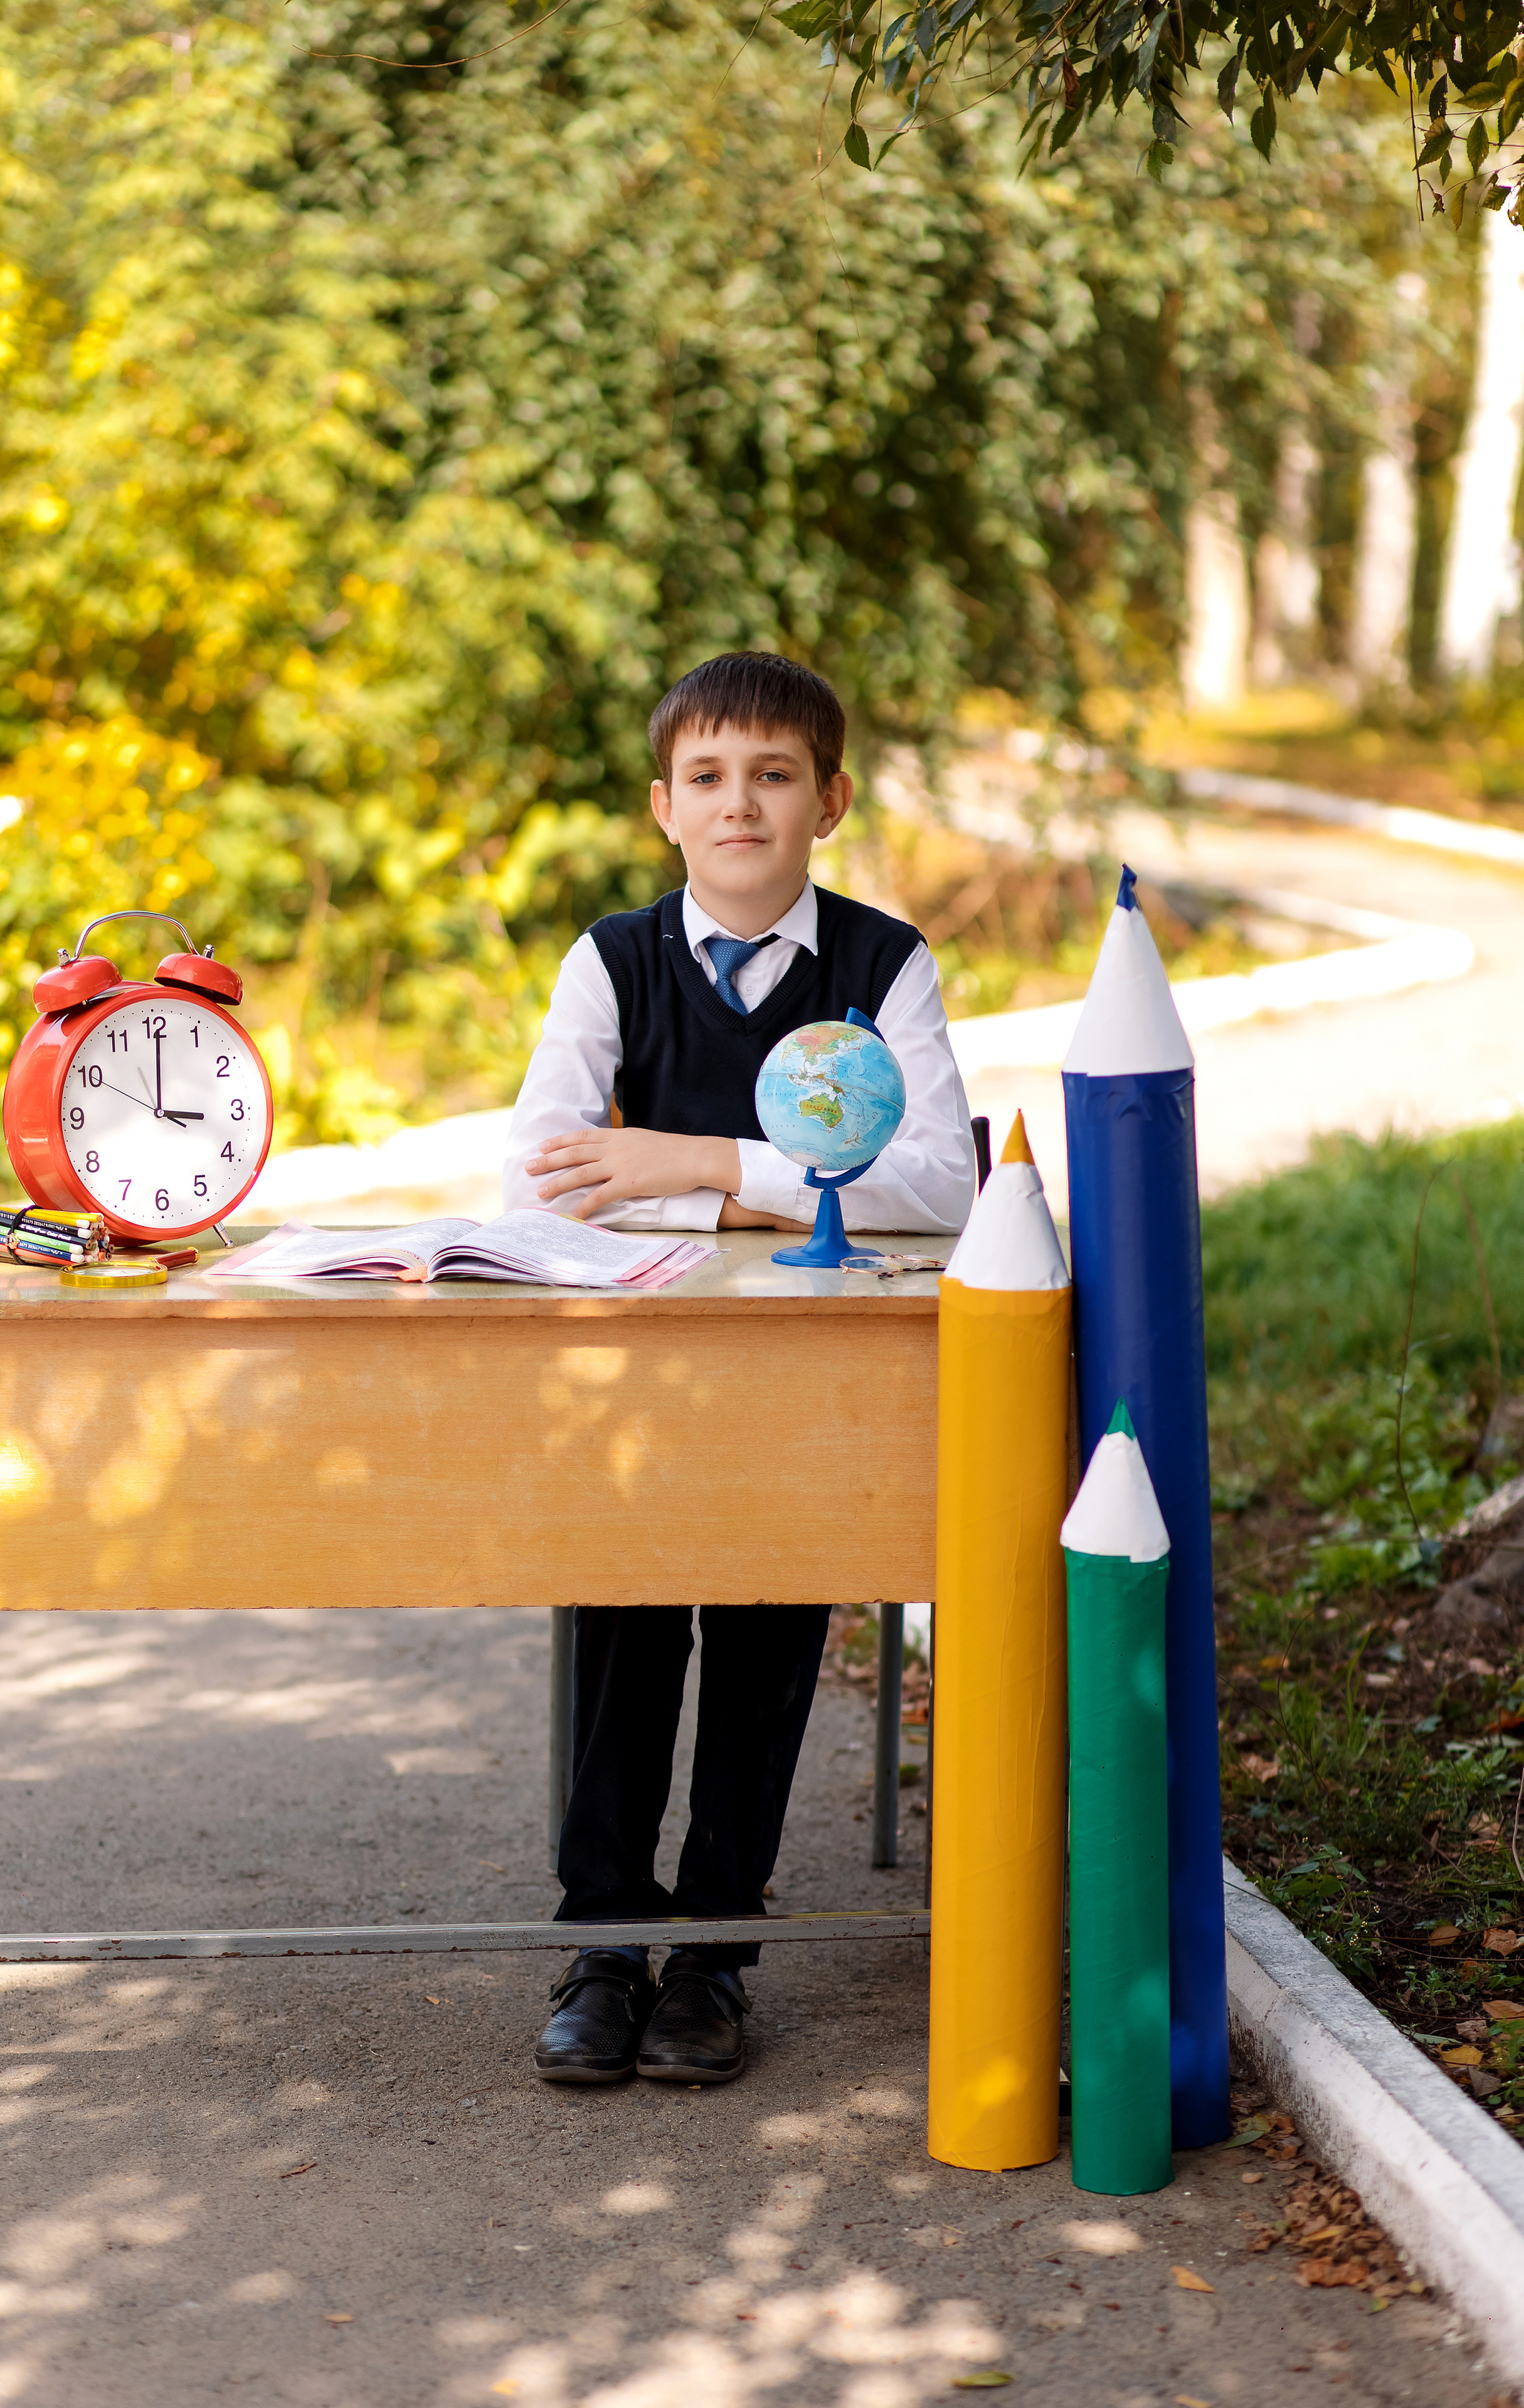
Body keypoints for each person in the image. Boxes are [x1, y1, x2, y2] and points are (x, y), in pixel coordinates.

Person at [502, 650, 975, 2086]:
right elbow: (538, 1181)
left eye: (773, 775)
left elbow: (939, 1183)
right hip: (636, 1385)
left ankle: (712, 1955)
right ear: (663, 806)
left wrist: (689, 1159)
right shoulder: (614, 960)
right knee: (625, 1641)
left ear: (827, 801)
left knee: (767, 1641)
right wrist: (780, 1187)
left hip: (802, 1389)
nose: (740, 805)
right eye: (707, 778)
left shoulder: (886, 967)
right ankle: (601, 1944)